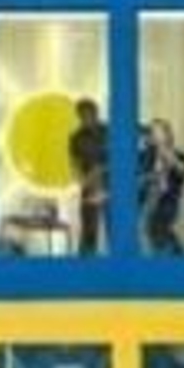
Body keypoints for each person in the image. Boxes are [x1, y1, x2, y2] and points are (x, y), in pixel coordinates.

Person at [139, 118, 184, 256]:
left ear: (168, 134)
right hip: (148, 202)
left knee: (158, 232)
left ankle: (176, 260)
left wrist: (167, 154)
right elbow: (138, 177)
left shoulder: (178, 155)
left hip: (166, 203)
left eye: (159, 131)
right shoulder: (146, 156)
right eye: (152, 132)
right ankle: (178, 257)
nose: (155, 135)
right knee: (152, 234)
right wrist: (149, 178)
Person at [69, 97, 109, 255]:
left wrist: (102, 169)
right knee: (88, 229)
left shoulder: (110, 131)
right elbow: (74, 162)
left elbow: (120, 157)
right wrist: (80, 179)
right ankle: (85, 265)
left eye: (90, 114)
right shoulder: (75, 137)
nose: (86, 118)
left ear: (96, 113)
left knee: (115, 227)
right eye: (82, 115)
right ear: (78, 116)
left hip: (111, 185)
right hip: (90, 185)